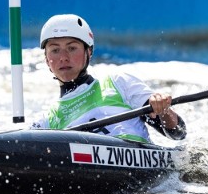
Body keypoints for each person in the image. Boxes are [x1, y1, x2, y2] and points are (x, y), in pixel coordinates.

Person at [30, 14, 186, 143]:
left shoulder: (118, 82)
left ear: (89, 52)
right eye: (55, 50)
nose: (63, 57)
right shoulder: (47, 122)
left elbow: (178, 133)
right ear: (46, 59)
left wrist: (164, 110)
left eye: (72, 48)